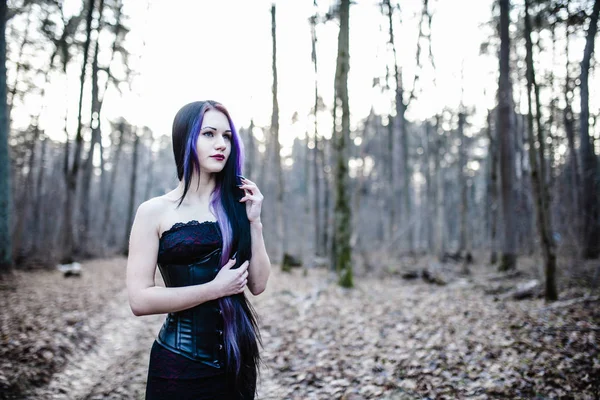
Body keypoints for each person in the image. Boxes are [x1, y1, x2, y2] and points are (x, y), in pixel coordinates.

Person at [126, 100, 271, 399]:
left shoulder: (237, 205)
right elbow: (139, 300)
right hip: (179, 366)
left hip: (235, 362)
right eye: (209, 134)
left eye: (227, 136)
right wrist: (215, 288)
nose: (221, 144)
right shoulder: (153, 211)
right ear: (185, 139)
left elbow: (258, 284)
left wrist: (254, 223)